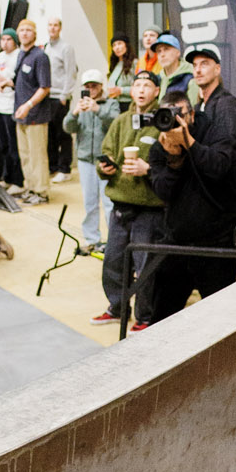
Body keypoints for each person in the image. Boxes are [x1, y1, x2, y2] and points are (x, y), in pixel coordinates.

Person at [143, 44, 236, 318]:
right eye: (196, 64)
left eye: (206, 63)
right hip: (177, 240)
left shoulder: (224, 109)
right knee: (162, 316)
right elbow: (164, 191)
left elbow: (223, 165)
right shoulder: (160, 147)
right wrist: (174, 158)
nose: (199, 69)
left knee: (221, 319)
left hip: (214, 239)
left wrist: (189, 143)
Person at [94, 68, 165, 328]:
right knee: (113, 259)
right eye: (137, 85)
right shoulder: (121, 120)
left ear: (156, 91)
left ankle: (145, 317)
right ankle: (116, 306)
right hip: (120, 204)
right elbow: (106, 153)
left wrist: (148, 170)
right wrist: (106, 167)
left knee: (144, 264)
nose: (142, 90)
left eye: (148, 85)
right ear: (131, 90)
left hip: (149, 207)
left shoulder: (162, 121)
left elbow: (171, 164)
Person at [70, 76, 120, 248]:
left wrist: (97, 109)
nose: (91, 89)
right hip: (85, 159)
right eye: (87, 86)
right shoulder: (81, 105)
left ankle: (114, 242)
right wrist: (74, 113)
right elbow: (67, 127)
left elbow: (116, 122)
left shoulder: (111, 104)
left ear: (101, 86)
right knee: (89, 202)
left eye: (94, 86)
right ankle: (92, 239)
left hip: (105, 160)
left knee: (108, 203)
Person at [11, 19, 54, 204]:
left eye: (29, 30)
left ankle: (41, 192)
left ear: (35, 34)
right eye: (22, 30)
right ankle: (30, 187)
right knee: (25, 154)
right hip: (21, 115)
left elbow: (44, 88)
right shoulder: (21, 54)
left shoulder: (40, 56)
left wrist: (28, 105)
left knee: (37, 155)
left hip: (35, 114)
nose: (25, 33)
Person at [44, 18, 78, 177]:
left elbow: (71, 72)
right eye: (50, 25)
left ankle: (65, 168)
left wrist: (65, 95)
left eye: (55, 25)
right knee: (50, 134)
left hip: (60, 97)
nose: (52, 28)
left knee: (62, 133)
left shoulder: (66, 48)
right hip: (46, 97)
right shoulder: (45, 47)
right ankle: (53, 166)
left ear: (60, 28)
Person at [0, 27, 23, 189]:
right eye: (2, 39)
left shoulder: (19, 55)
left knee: (14, 145)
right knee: (3, 144)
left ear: (14, 41)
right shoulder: (0, 56)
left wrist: (7, 82)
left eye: (8, 39)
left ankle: (18, 180)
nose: (5, 43)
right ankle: (8, 176)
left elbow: (18, 80)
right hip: (0, 104)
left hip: (12, 105)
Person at [153, 31, 193, 101]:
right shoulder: (157, 80)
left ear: (178, 52)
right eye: (159, 51)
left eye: (166, 49)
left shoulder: (190, 78)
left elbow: (193, 109)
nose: (162, 55)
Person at [105, 34, 137, 108]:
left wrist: (121, 90)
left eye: (119, 44)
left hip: (129, 104)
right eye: (114, 45)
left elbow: (138, 87)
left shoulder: (134, 63)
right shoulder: (115, 65)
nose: (117, 48)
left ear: (126, 45)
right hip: (115, 104)